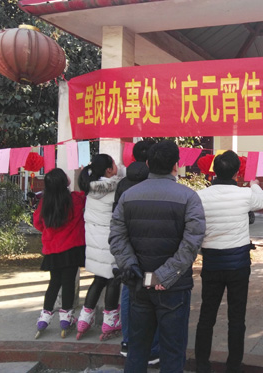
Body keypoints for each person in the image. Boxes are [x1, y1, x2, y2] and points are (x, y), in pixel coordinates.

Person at [109, 139, 206, 373]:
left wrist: (131, 266)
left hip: (139, 282)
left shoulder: (128, 195)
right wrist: (164, 275)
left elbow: (116, 236)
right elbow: (192, 242)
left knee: (137, 348)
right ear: (176, 165)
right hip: (173, 286)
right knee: (173, 350)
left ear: (148, 164)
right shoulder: (189, 197)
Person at [194, 150, 263, 373]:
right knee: (237, 318)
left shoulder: (200, 196)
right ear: (237, 172)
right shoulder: (245, 195)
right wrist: (253, 183)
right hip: (238, 266)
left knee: (207, 315)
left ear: (214, 171)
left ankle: (202, 365)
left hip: (212, 263)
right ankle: (234, 366)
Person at [112, 139, 160, 364]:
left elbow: (116, 218)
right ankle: (153, 348)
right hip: (150, 246)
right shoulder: (154, 182)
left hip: (127, 247)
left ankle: (127, 341)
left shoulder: (123, 182)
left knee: (128, 291)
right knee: (153, 291)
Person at [33, 168, 86, 339]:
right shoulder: (75, 200)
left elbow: (38, 223)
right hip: (71, 249)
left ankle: (44, 318)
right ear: (65, 181)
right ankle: (66, 320)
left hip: (52, 249)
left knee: (54, 283)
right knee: (68, 284)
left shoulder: (44, 202)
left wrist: (49, 232)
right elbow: (86, 197)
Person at [77, 153, 123, 340]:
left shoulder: (90, 188)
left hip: (94, 242)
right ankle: (110, 320)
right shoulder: (115, 187)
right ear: (109, 170)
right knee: (113, 279)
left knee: (98, 279)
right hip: (109, 242)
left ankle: (84, 319)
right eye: (114, 164)